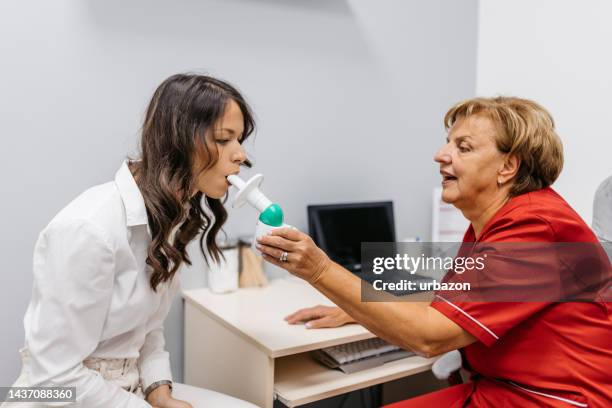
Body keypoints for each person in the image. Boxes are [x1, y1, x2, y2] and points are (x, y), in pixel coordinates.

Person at [257, 97, 612, 406]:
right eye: (447, 144)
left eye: (464, 147)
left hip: (555, 400)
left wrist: (320, 269)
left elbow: (430, 337)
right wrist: (356, 310)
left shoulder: (534, 230)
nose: (440, 155)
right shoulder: (502, 221)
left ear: (508, 166)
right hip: (512, 389)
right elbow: (455, 303)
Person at [3, 74, 258, 407]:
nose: (240, 155)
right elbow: (53, 376)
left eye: (239, 139)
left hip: (128, 391)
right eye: (224, 140)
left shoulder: (169, 218)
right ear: (178, 141)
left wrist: (160, 393)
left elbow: (146, 329)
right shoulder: (89, 229)